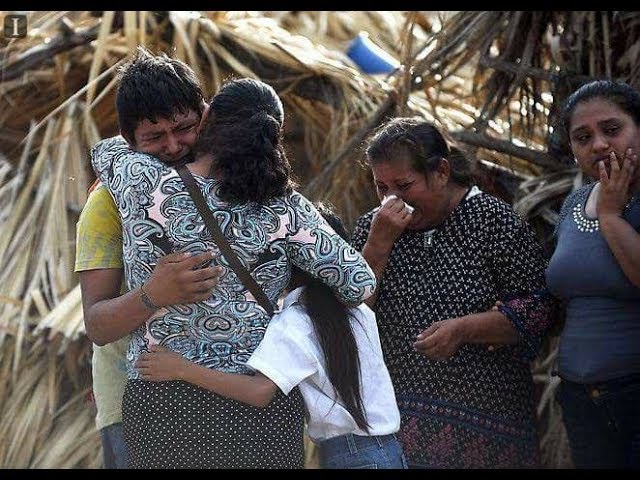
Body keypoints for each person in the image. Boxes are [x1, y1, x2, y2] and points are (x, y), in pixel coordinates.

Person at [90, 78, 377, 468]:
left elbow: (104, 149)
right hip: (257, 407)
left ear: (207, 118)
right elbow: (359, 283)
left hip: (162, 403)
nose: (173, 144)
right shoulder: (285, 208)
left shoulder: (141, 181)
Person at [133, 203, 407, 470]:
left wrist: (181, 369)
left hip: (349, 455)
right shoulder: (357, 310)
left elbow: (260, 392)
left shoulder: (295, 323)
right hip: (389, 450)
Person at [351, 117, 557, 469]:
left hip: (489, 431)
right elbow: (350, 313)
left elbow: (539, 309)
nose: (391, 200)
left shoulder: (492, 220)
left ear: (441, 172)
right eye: (381, 187)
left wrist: (466, 329)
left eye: (404, 185)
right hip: (397, 430)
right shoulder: (374, 228)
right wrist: (378, 244)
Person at [76, 47, 223, 469]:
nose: (174, 146)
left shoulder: (232, 182)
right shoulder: (106, 204)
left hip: (224, 397)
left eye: (184, 128)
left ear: (206, 115)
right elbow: (98, 325)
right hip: (135, 401)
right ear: (128, 141)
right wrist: (153, 294)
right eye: (155, 138)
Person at [546, 79, 640, 469]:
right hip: (580, 399)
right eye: (583, 137)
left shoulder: (612, 207)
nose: (599, 144)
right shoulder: (574, 202)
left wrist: (611, 216)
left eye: (612, 130)